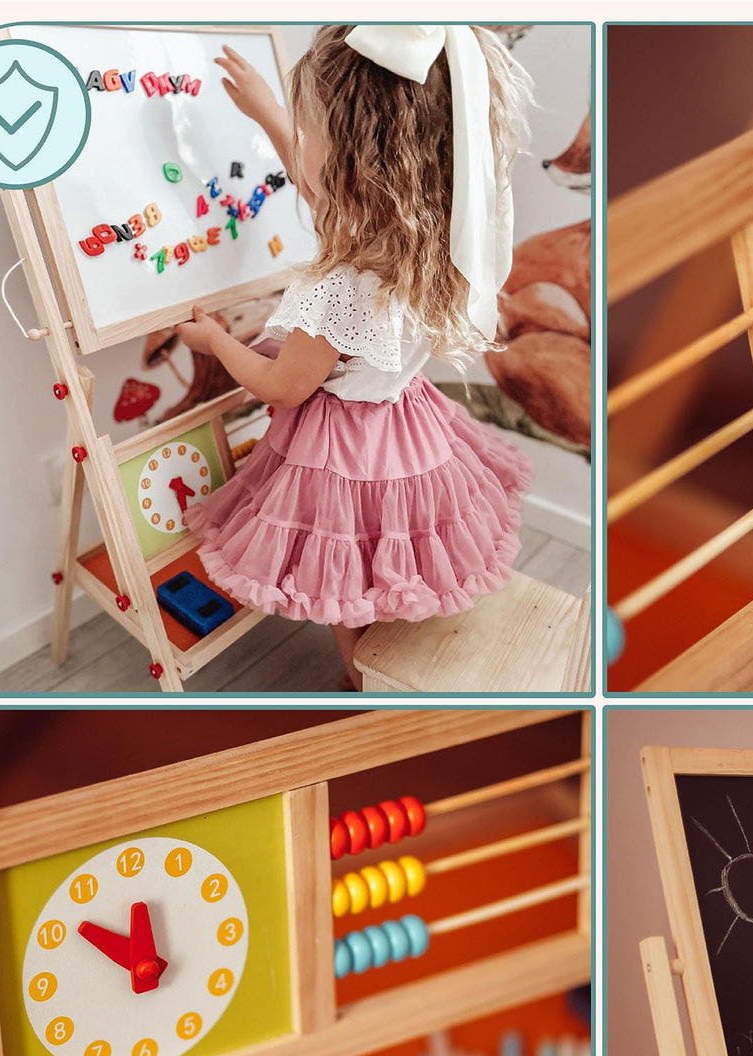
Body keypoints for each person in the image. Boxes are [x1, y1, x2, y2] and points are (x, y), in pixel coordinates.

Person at [175, 25, 534, 685]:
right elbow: (324, 187)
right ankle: (385, 657)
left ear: (352, 163)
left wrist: (215, 341)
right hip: (404, 427)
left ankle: (361, 680)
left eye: (309, 135)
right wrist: (271, 115)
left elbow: (282, 387)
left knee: (347, 581)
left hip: (342, 453)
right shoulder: (428, 237)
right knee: (387, 556)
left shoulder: (343, 288)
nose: (303, 149)